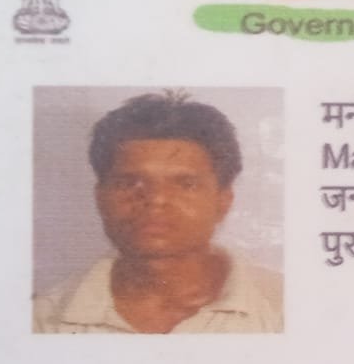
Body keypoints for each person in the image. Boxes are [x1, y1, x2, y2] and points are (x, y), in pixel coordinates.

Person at [34, 91, 283, 334]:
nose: (155, 200)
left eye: (185, 184)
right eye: (129, 183)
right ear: (100, 197)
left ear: (223, 200)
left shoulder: (284, 309)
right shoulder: (43, 321)